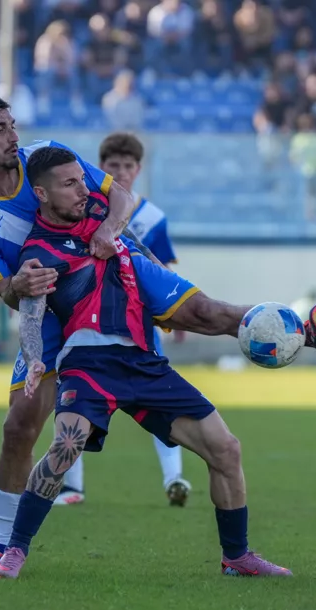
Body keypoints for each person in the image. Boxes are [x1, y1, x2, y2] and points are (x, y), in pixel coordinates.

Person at [0, 94, 316, 574]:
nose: (13, 136)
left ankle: (303, 330)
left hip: (119, 263)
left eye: (12, 124)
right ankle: (2, 546)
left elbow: (120, 196)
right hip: (57, 304)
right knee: (20, 425)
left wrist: (110, 232)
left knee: (205, 312)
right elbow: (11, 296)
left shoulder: (47, 157)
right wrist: (21, 285)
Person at [56, 132, 190, 508]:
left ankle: (174, 477)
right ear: (101, 167)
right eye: (113, 165)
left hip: (139, 324)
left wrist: (178, 314)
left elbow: (162, 271)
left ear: (138, 169)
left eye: (127, 166)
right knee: (74, 401)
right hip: (89, 321)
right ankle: (72, 486)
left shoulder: (152, 218)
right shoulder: (87, 206)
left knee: (162, 399)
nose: (121, 172)